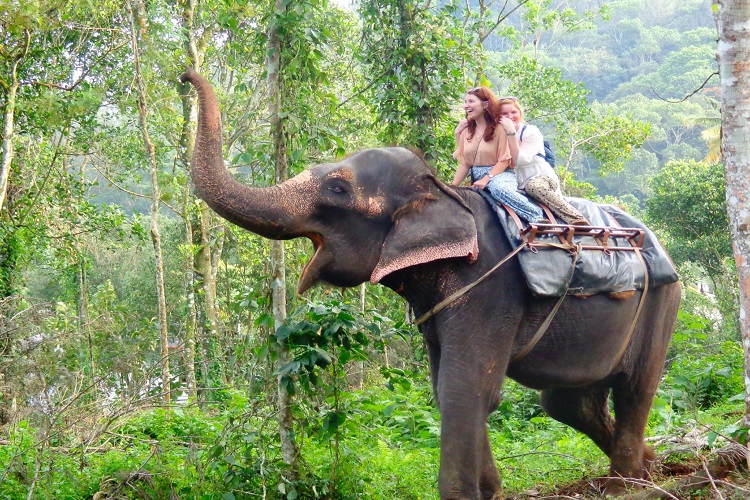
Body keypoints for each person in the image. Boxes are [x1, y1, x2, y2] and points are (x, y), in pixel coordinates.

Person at [452, 87, 544, 223]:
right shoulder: (467, 129)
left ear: (485, 104)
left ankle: (537, 217)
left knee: (499, 190)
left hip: (500, 174)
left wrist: (487, 178)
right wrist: (452, 186)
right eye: (465, 102)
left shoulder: (499, 128)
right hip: (477, 175)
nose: (466, 106)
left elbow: (505, 160)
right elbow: (465, 163)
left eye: (471, 101)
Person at [498, 97, 590, 226]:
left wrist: (511, 133)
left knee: (534, 187)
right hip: (513, 179)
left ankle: (575, 218)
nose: (510, 116)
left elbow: (520, 160)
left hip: (539, 176)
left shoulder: (530, 131)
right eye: (504, 114)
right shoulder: (496, 134)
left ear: (520, 113)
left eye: (513, 112)